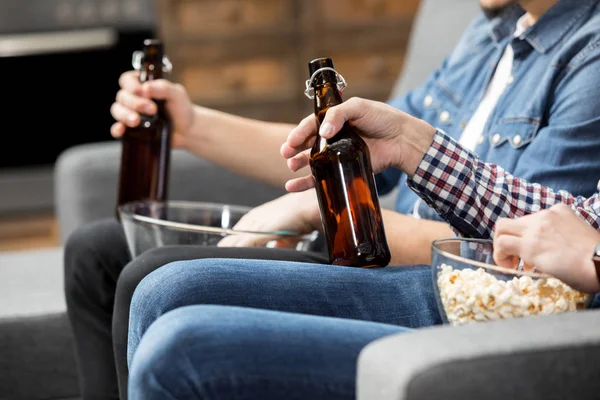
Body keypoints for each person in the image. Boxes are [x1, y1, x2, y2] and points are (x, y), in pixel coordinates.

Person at [63, 0, 600, 398]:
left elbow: (511, 256)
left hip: (424, 271)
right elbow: (357, 147)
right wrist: (192, 126)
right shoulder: (491, 34)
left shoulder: (586, 54)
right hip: (384, 242)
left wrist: (311, 211)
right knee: (100, 256)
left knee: (158, 286)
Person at [126, 96, 600, 400]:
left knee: (183, 347)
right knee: (162, 288)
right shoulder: (486, 39)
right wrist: (412, 144)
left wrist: (594, 257)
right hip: (474, 286)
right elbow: (563, 220)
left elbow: (541, 251)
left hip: (543, 318)